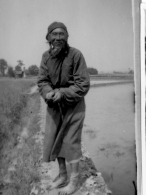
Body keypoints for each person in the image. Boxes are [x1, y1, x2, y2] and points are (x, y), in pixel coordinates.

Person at [37, 22, 90, 194]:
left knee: (71, 142)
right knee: (56, 139)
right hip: (54, 105)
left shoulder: (76, 55)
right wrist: (48, 93)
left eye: (62, 34)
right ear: (48, 38)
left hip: (74, 105)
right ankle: (62, 176)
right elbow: (42, 81)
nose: (58, 38)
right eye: (55, 34)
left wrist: (62, 92)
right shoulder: (46, 57)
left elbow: (83, 84)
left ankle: (74, 181)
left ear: (67, 37)